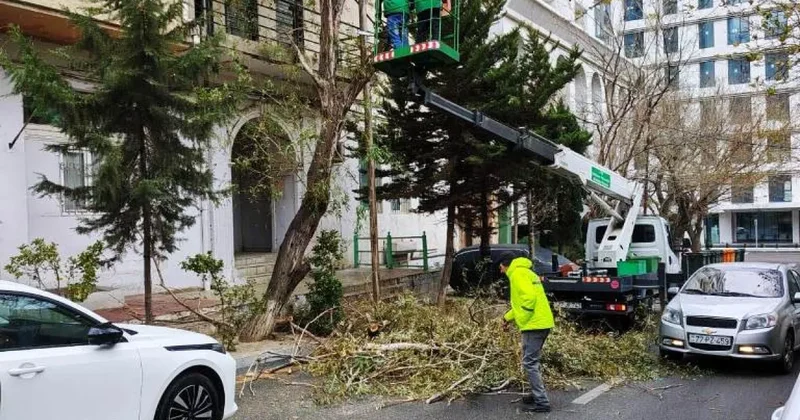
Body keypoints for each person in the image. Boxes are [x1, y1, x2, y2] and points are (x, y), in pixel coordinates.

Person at [500, 251, 555, 413]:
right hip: (542, 322)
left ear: (505, 265)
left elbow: (529, 299)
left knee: (529, 363)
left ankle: (542, 402)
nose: (500, 270)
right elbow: (521, 303)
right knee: (532, 361)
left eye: (501, 267)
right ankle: (536, 394)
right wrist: (506, 318)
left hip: (533, 325)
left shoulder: (517, 274)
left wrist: (522, 320)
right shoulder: (525, 272)